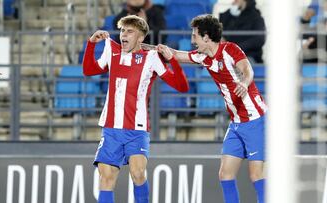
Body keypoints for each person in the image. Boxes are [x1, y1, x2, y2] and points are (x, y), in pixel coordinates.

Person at [148, 14, 267, 203]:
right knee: (225, 175)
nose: (191, 40)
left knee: (256, 176)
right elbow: (178, 56)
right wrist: (160, 49)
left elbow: (247, 69)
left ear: (206, 37)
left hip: (255, 120)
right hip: (236, 123)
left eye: (194, 36)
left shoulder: (230, 50)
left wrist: (244, 83)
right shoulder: (203, 57)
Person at [82, 15, 189, 203]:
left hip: (136, 129)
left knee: (138, 173)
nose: (124, 35)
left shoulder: (152, 58)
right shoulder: (112, 51)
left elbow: (182, 86)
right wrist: (91, 44)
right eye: (122, 30)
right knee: (106, 178)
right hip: (111, 128)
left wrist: (173, 60)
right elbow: (89, 70)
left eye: (130, 31)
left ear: (140, 38)